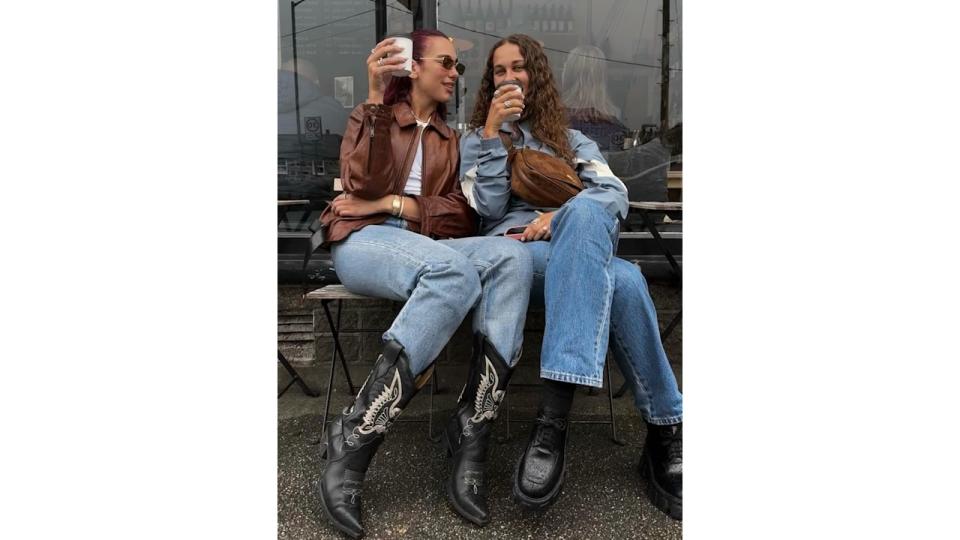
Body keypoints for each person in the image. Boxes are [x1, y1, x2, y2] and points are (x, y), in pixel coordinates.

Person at [315, 30, 533, 538]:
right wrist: (372, 98)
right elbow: (359, 186)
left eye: (457, 65)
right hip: (363, 242)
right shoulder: (373, 117)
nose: (456, 73)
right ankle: (355, 438)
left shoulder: (448, 138)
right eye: (447, 63)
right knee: (453, 272)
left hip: (421, 242)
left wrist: (393, 205)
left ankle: (471, 431)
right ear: (414, 68)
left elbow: (458, 215)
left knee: (509, 256)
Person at [459, 34, 684, 520]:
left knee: (595, 233)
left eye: (518, 67)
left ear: (534, 74)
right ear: (490, 82)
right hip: (516, 256)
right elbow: (485, 208)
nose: (509, 77)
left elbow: (613, 193)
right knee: (620, 278)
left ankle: (554, 422)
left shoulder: (570, 140)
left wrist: (557, 219)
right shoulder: (475, 139)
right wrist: (493, 137)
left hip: (574, 249)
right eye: (499, 71)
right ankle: (664, 431)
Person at [560, 44, 629, 152]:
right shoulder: (615, 116)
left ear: (570, 74)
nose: (562, 70)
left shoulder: (554, 116)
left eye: (565, 66)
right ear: (602, 77)